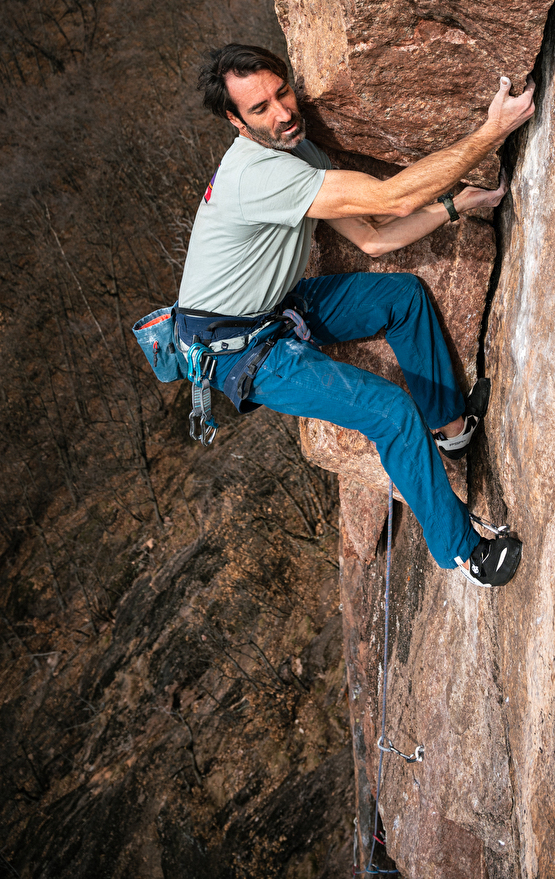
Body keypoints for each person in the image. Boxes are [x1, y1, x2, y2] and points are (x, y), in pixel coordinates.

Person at [177, 43, 534, 587]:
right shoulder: (255, 175)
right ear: (235, 120)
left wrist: (459, 204)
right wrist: (491, 134)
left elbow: (372, 240)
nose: (282, 112)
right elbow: (391, 199)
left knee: (402, 298)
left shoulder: (298, 153)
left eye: (283, 92)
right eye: (260, 108)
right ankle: (465, 555)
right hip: (239, 349)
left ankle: (451, 428)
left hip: (273, 308)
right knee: (389, 412)